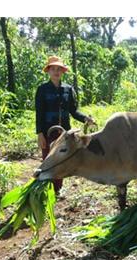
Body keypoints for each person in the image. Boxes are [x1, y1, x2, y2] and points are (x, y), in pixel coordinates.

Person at [35, 56, 95, 193]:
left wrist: (86, 118)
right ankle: (45, 190)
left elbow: (73, 111)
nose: (56, 71)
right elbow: (39, 113)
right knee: (49, 161)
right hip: (48, 132)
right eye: (53, 69)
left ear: (63, 72)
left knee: (62, 161)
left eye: (59, 69)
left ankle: (57, 190)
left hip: (64, 134)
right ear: (48, 71)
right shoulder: (42, 90)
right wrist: (40, 134)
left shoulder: (68, 89)